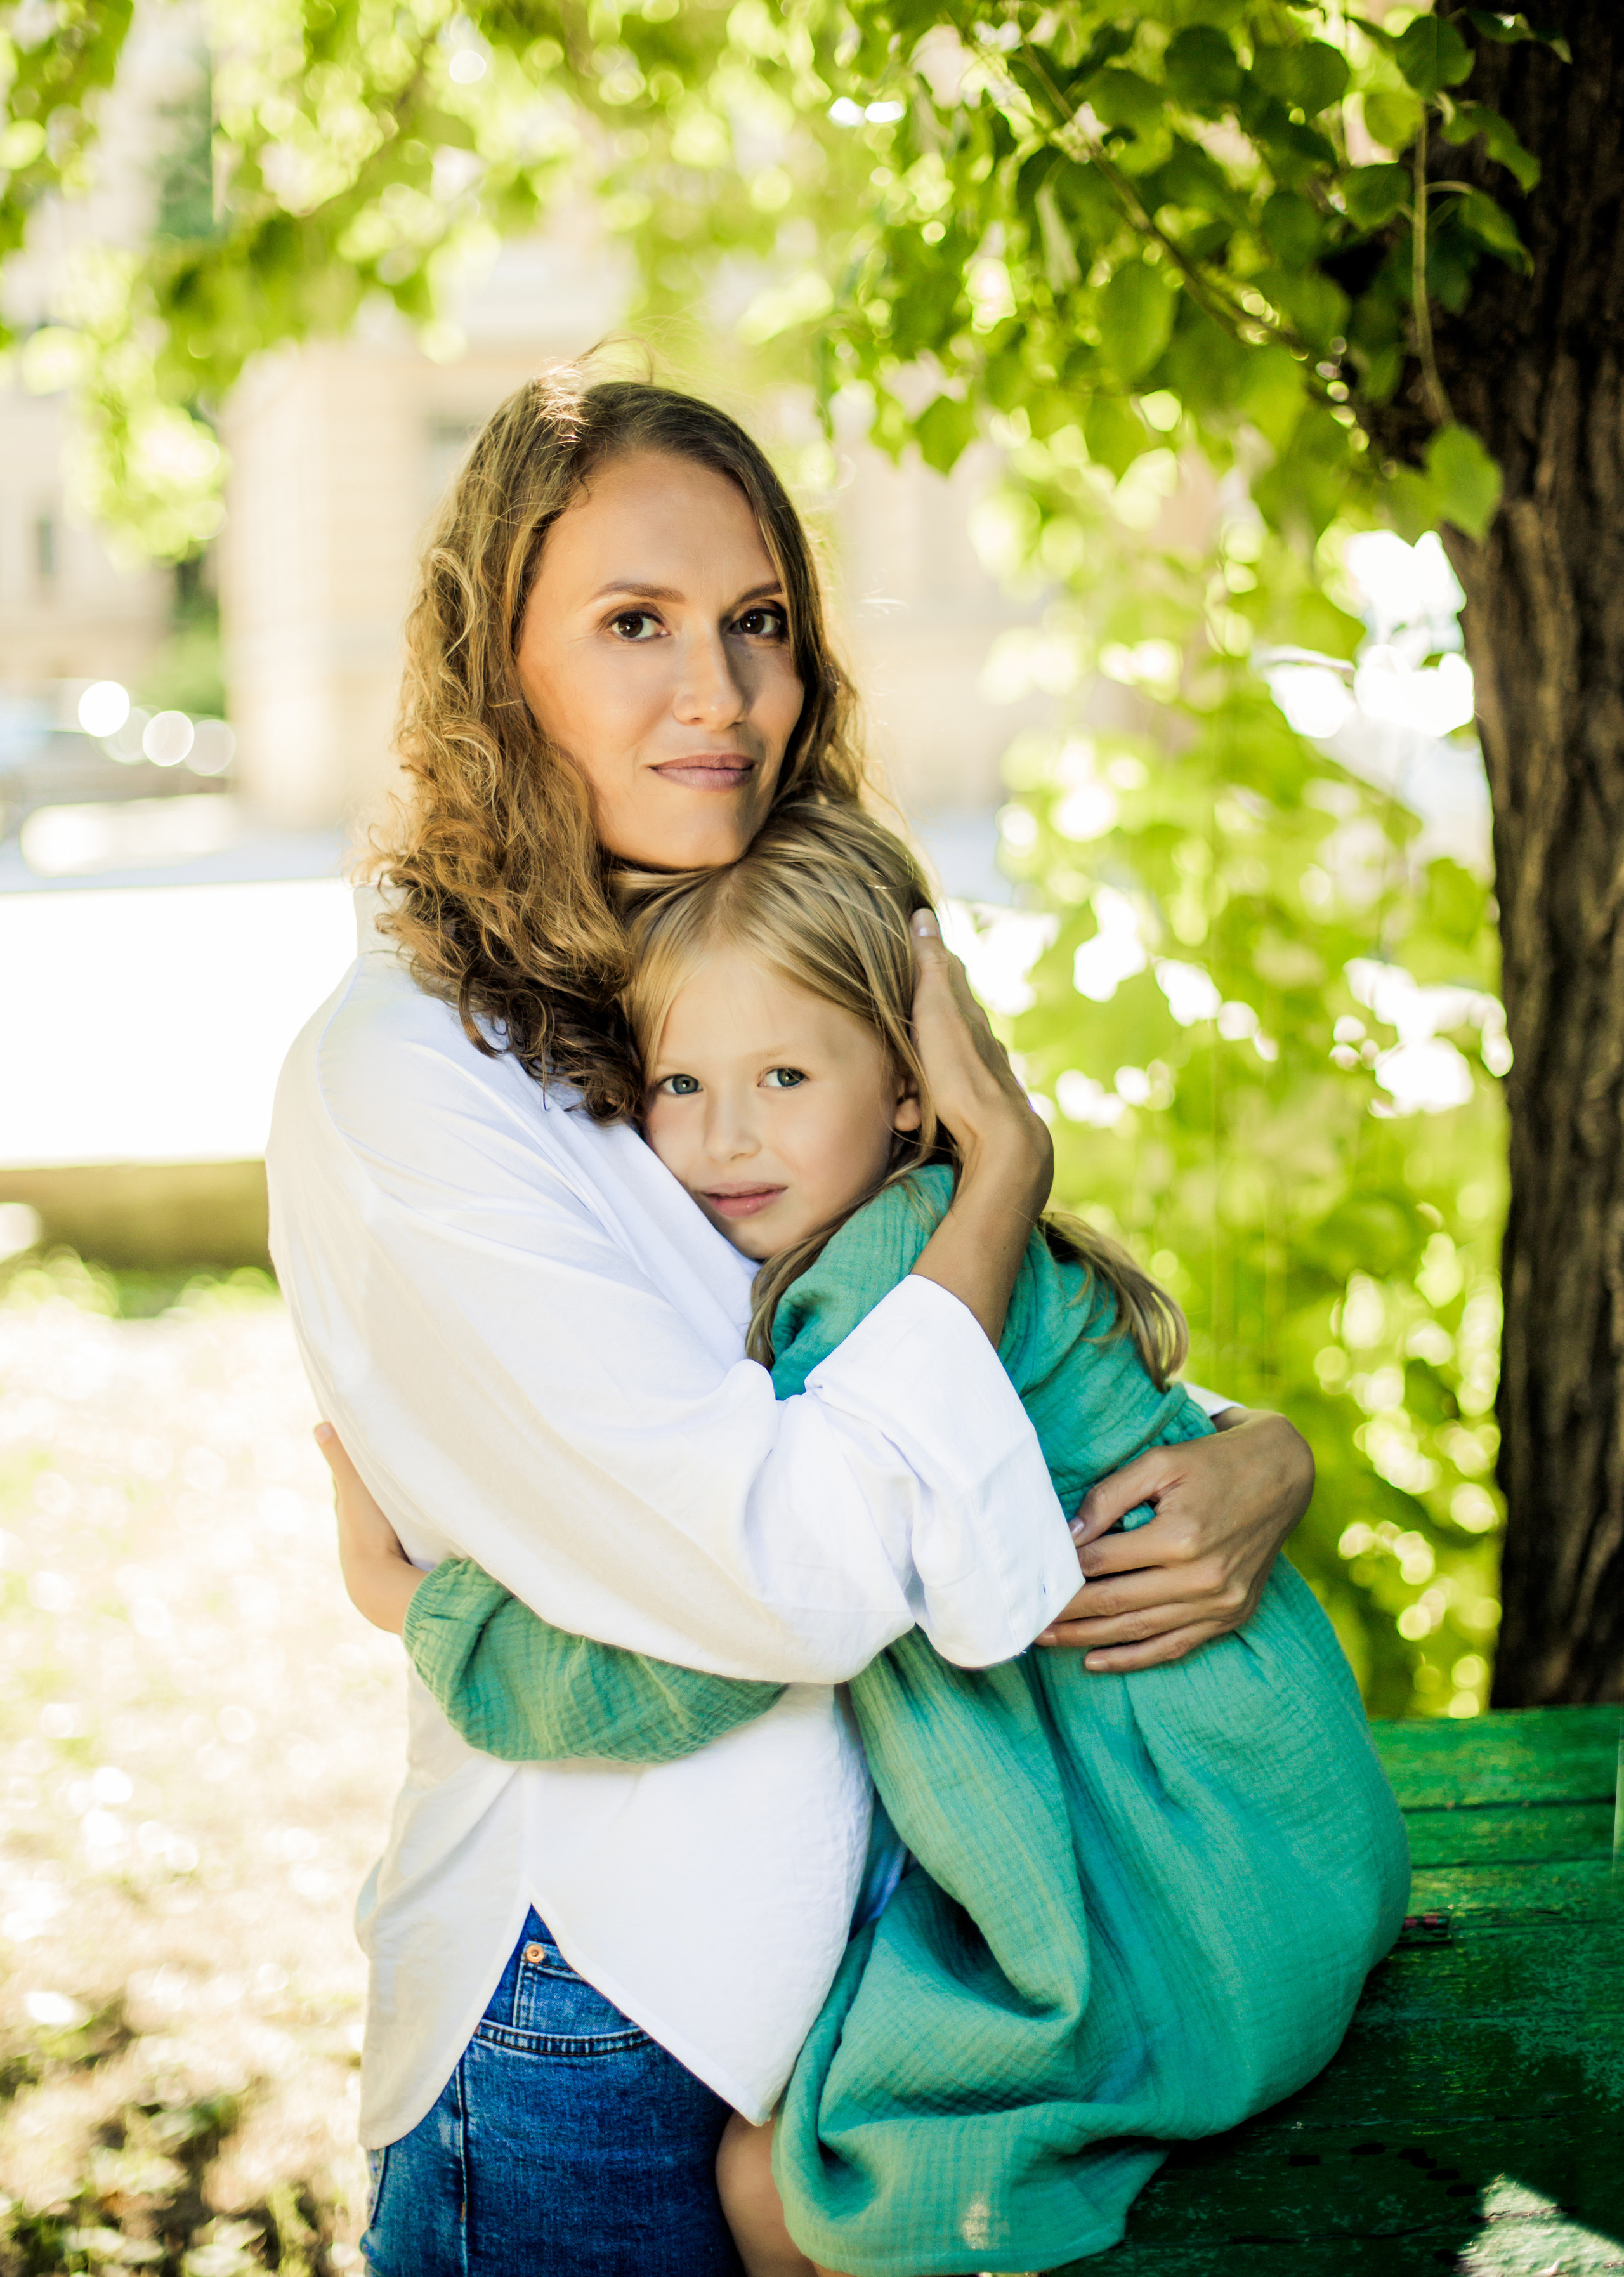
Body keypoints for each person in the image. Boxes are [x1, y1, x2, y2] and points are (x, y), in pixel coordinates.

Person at [270, 368, 1316, 2276]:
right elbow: (800, 1570)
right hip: (599, 2003)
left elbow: (924, 1351)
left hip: (859, 1996)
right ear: (497, 670)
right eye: (634, 625)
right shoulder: (406, 1080)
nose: (723, 693)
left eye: (757, 622)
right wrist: (1002, 1178)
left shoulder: (733, 957)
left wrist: (1240, 1450)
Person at [326, 797, 1410, 2277]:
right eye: (678, 1082)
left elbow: (727, 1633)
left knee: (794, 2196)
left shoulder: (868, 1295)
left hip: (1152, 1858)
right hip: (1266, 1819)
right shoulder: (932, 1227)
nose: (722, 1138)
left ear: (908, 1093)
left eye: (783, 1074)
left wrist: (414, 1606)